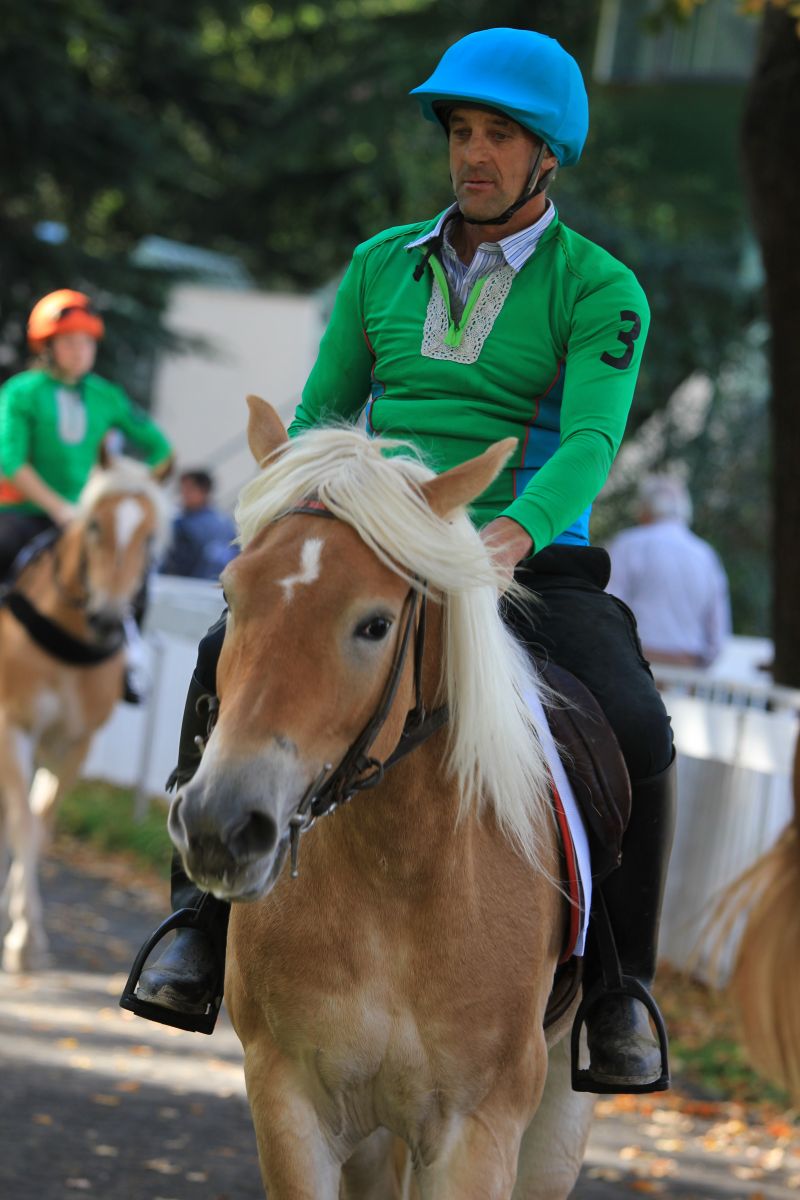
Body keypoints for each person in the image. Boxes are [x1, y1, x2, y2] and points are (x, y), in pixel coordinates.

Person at [126, 29, 675, 1094]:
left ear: (548, 154)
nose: (473, 154)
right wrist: (292, 510)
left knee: (636, 723)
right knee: (220, 649)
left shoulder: (601, 288)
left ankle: (619, 993)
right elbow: (323, 415)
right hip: (375, 543)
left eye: (499, 135)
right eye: (460, 132)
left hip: (518, 560)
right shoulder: (381, 263)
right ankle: (196, 923)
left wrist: (511, 534)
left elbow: (591, 442)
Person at [0, 288, 174, 697]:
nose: (81, 351)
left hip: (87, 515)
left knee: (136, 571)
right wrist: (58, 507)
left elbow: (160, 448)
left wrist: (132, 487)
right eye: (69, 342)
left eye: (87, 342)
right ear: (47, 347)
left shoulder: (105, 395)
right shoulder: (21, 392)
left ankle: (127, 660)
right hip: (24, 511)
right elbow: (9, 460)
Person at [607, 473, 731, 668]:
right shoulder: (705, 555)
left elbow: (609, 605)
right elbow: (717, 629)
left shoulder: (628, 545)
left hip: (634, 664)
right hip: (687, 669)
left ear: (645, 509)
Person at [160, 469, 238, 581]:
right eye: (182, 490)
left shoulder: (222, 524)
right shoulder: (176, 521)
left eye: (189, 490)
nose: (184, 495)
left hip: (203, 586)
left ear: (204, 491)